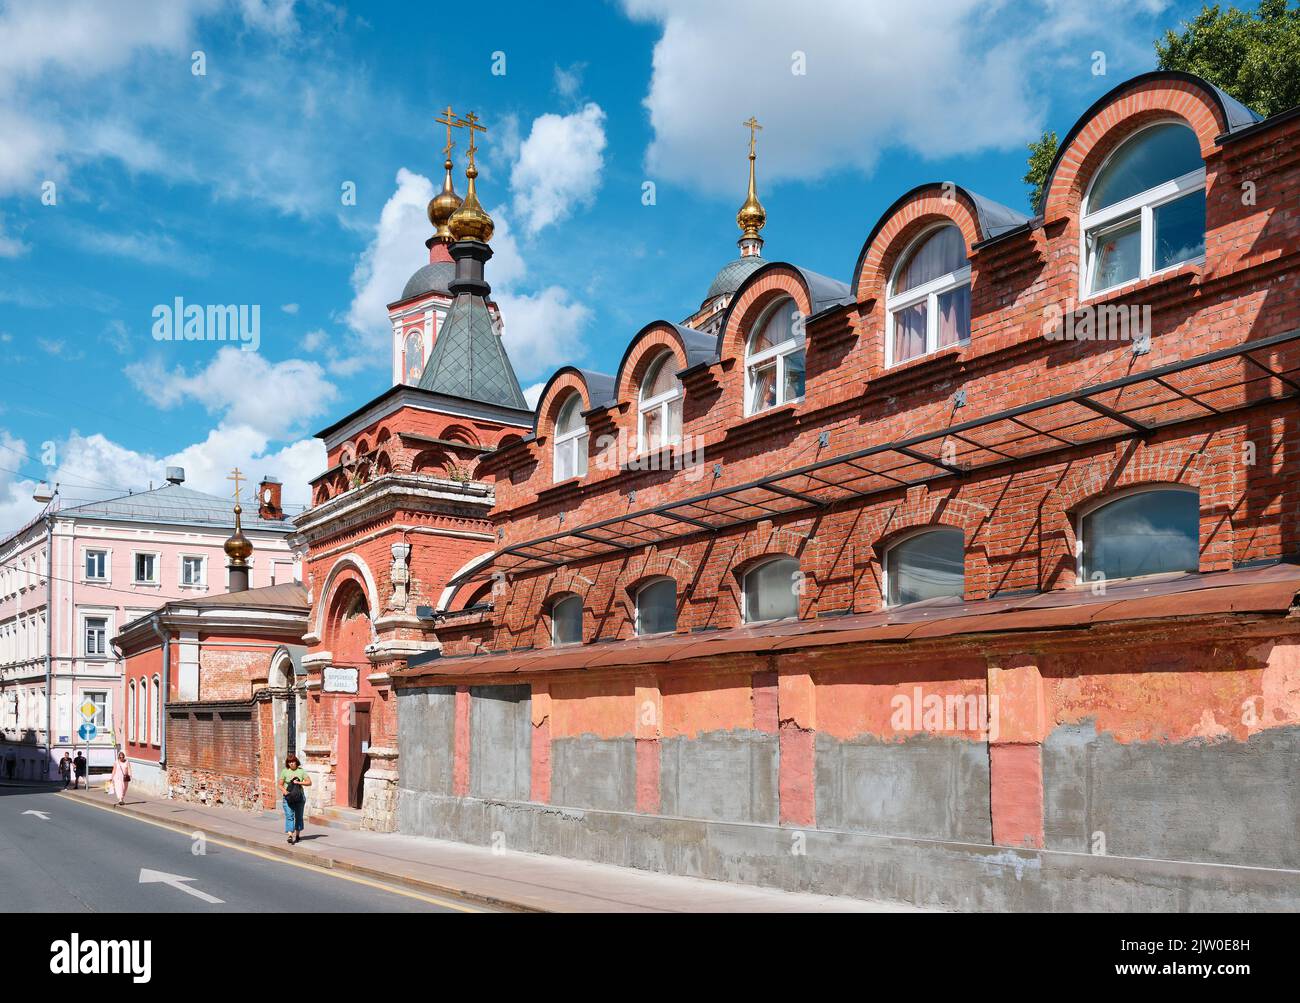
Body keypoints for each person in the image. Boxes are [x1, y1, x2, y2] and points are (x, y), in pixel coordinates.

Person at [278, 754, 311, 844]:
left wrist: (299, 782)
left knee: (299, 817)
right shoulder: (284, 771)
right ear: (287, 763)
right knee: (289, 816)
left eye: (293, 762)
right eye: (289, 762)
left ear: (296, 762)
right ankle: (290, 835)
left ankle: (297, 835)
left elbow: (309, 782)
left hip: (299, 797)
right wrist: (285, 791)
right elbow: (280, 784)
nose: (291, 763)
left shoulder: (301, 771)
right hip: (288, 798)